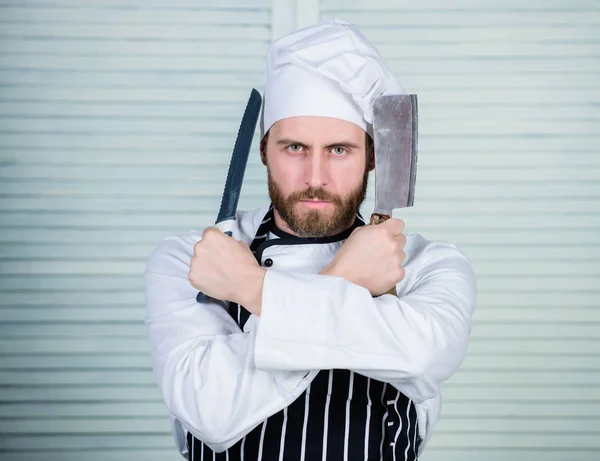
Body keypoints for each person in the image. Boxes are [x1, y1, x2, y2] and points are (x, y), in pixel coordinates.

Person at [144, 18, 476, 461]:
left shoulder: (424, 267)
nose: (315, 178)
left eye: (339, 149)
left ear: (372, 158)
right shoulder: (194, 259)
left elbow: (419, 358)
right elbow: (211, 412)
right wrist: (346, 279)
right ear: (265, 150)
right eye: (294, 148)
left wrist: (253, 290)